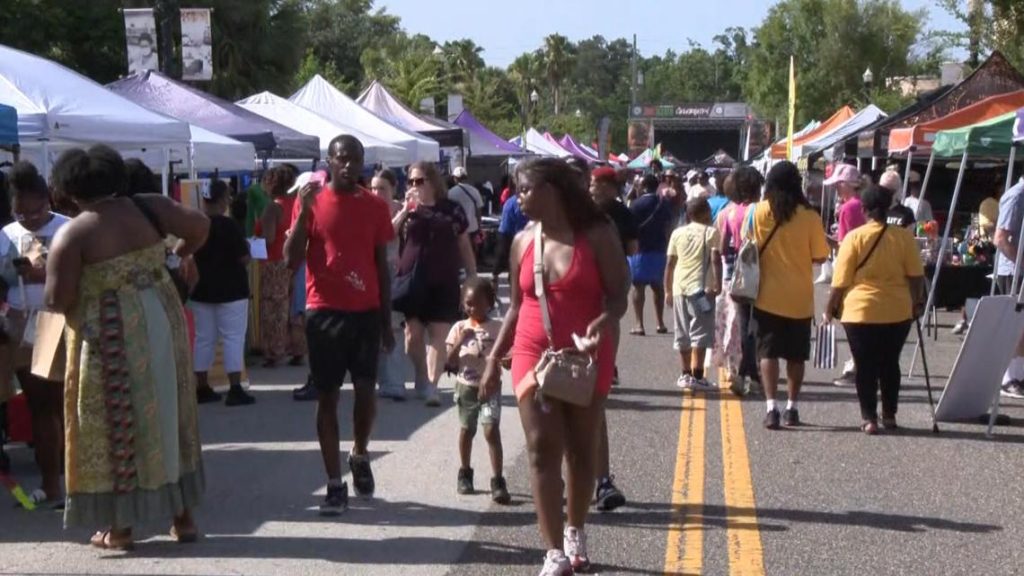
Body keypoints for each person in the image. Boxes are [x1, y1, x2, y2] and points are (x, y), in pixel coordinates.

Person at [46, 145, 210, 549]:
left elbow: (57, 300)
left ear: (68, 191)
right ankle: (183, 517)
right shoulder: (151, 207)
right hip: (163, 318)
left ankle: (119, 528)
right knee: (170, 414)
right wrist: (176, 254)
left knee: (114, 422)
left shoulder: (74, 233)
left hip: (110, 336)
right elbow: (200, 226)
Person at [480, 158, 628, 575]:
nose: (519, 198)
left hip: (586, 356)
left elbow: (619, 292)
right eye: (518, 190)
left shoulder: (597, 234)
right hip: (532, 351)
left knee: (581, 451)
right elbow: (514, 308)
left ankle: (575, 529)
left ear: (555, 189)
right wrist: (493, 359)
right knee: (542, 447)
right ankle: (553, 552)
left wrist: (607, 319)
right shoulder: (522, 241)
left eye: (526, 189)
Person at [283, 135, 396, 514]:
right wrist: (302, 213)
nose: (349, 165)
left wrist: (385, 320)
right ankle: (334, 484)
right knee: (327, 396)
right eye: (342, 158)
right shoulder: (312, 202)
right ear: (329, 161)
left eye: (356, 159)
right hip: (323, 312)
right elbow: (289, 260)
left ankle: (360, 452)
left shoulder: (376, 206)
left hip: (364, 313)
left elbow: (381, 264)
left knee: (366, 391)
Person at [824, 186, 926, 434]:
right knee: (890, 363)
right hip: (897, 309)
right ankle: (889, 415)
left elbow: (840, 281)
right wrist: (918, 302)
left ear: (864, 210)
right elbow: (916, 276)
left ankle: (869, 418)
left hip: (860, 311)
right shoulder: (903, 237)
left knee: (865, 365)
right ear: (890, 206)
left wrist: (829, 308)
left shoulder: (854, 238)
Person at [0, 161, 70, 505]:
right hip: (18, 322)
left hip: (56, 319)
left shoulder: (67, 229)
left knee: (57, 405)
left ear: (48, 202)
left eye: (33, 212)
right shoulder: (6, 234)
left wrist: (44, 273)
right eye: (19, 213)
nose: (26, 219)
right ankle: (51, 484)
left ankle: (65, 483)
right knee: (38, 405)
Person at [752, 162, 830, 429]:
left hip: (765, 296)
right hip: (799, 298)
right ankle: (792, 408)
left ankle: (771, 407)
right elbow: (820, 256)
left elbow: (746, 246)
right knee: (796, 356)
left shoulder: (760, 212)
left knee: (768, 353)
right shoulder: (810, 216)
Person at [394, 162, 477, 406]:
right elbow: (388, 233)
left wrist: (471, 275)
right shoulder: (407, 209)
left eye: (419, 181)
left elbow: (464, 243)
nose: (414, 186)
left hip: (444, 277)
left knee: (439, 335)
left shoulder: (452, 209)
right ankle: (421, 375)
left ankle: (431, 385)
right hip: (412, 277)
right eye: (410, 181)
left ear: (432, 181)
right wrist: (405, 210)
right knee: (413, 335)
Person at [587, 166, 634, 513]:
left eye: (592, 183)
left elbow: (630, 252)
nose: (589, 189)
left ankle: (601, 480)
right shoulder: (538, 234)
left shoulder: (611, 220)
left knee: (593, 402)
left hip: (602, 311)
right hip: (556, 326)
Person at [445, 278, 511, 504]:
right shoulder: (459, 328)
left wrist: (508, 360)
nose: (470, 308)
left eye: (475, 303)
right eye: (467, 304)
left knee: (491, 430)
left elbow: (507, 355)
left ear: (489, 303)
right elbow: (450, 362)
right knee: (467, 429)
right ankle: (465, 472)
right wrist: (460, 341)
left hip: (491, 388)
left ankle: (498, 479)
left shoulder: (497, 328)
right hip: (466, 388)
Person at [189, 179, 255, 407]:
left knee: (203, 339)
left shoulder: (195, 224)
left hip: (201, 290)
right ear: (222, 199)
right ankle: (235, 387)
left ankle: (201, 386)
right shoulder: (229, 226)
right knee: (233, 338)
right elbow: (244, 258)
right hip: (232, 290)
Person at [665, 197, 722, 390]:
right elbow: (715, 259)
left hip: (679, 287)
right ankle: (698, 375)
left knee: (682, 332)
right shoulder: (711, 232)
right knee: (700, 332)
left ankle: (685, 374)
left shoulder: (677, 233)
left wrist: (667, 289)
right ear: (706, 212)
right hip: (701, 289)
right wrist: (718, 284)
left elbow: (670, 264)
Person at [718, 167, 764, 397]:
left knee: (742, 323)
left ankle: (742, 370)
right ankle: (751, 372)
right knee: (756, 324)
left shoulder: (727, 212)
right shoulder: (758, 211)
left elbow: (722, 246)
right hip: (758, 270)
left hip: (735, 271)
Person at [256, 167, 307, 369]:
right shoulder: (296, 204)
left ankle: (274, 352)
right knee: (295, 307)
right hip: (295, 260)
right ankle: (298, 349)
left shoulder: (272, 208)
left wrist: (252, 241)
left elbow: (268, 238)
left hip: (274, 262)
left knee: (274, 309)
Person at [825, 164, 867, 388]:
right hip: (866, 267)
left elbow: (846, 245)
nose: (836, 190)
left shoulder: (848, 208)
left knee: (849, 319)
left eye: (837, 185)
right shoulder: (862, 205)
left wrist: (828, 240)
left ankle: (856, 366)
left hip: (850, 268)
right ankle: (860, 365)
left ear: (844, 185)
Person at [371, 169, 408, 401]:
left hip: (394, 276)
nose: (376, 192)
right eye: (373, 188)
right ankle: (375, 379)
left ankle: (393, 382)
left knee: (393, 326)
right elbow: (385, 235)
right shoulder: (368, 210)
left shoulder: (400, 209)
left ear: (393, 188)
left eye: (382, 188)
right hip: (371, 274)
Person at [627, 174, 672, 336]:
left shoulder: (636, 204)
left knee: (638, 287)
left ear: (643, 186)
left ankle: (639, 324)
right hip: (659, 248)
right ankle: (660, 323)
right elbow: (668, 226)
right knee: (658, 287)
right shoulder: (663, 203)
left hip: (640, 250)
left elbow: (630, 228)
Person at [994, 176, 1024, 398]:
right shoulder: (1016, 195)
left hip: (1018, 268)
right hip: (1013, 271)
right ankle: (1008, 378)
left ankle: (1018, 375)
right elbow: (1001, 238)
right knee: (1016, 326)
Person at [449, 166, 484, 238]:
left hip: (458, 230)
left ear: (455, 178)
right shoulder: (475, 191)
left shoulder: (450, 193)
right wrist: (479, 227)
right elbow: (479, 211)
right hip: (473, 229)